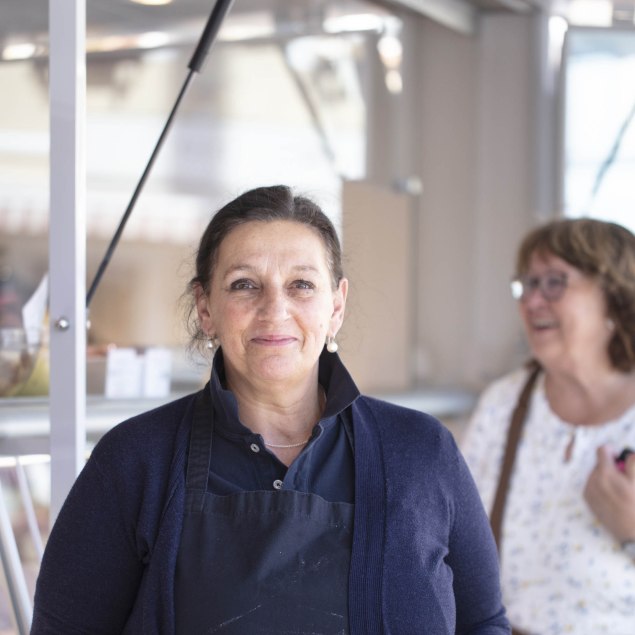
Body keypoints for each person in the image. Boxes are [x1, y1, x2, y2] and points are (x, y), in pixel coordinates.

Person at [31, 185, 509, 634]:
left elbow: (483, 622)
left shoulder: (421, 452)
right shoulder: (137, 459)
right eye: (244, 285)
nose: (274, 309)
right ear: (205, 307)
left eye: (301, 284)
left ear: (336, 306)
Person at [461, 217, 635, 635]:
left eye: (554, 282)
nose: (533, 301)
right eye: (527, 284)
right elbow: (454, 541)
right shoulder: (504, 404)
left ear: (614, 296)